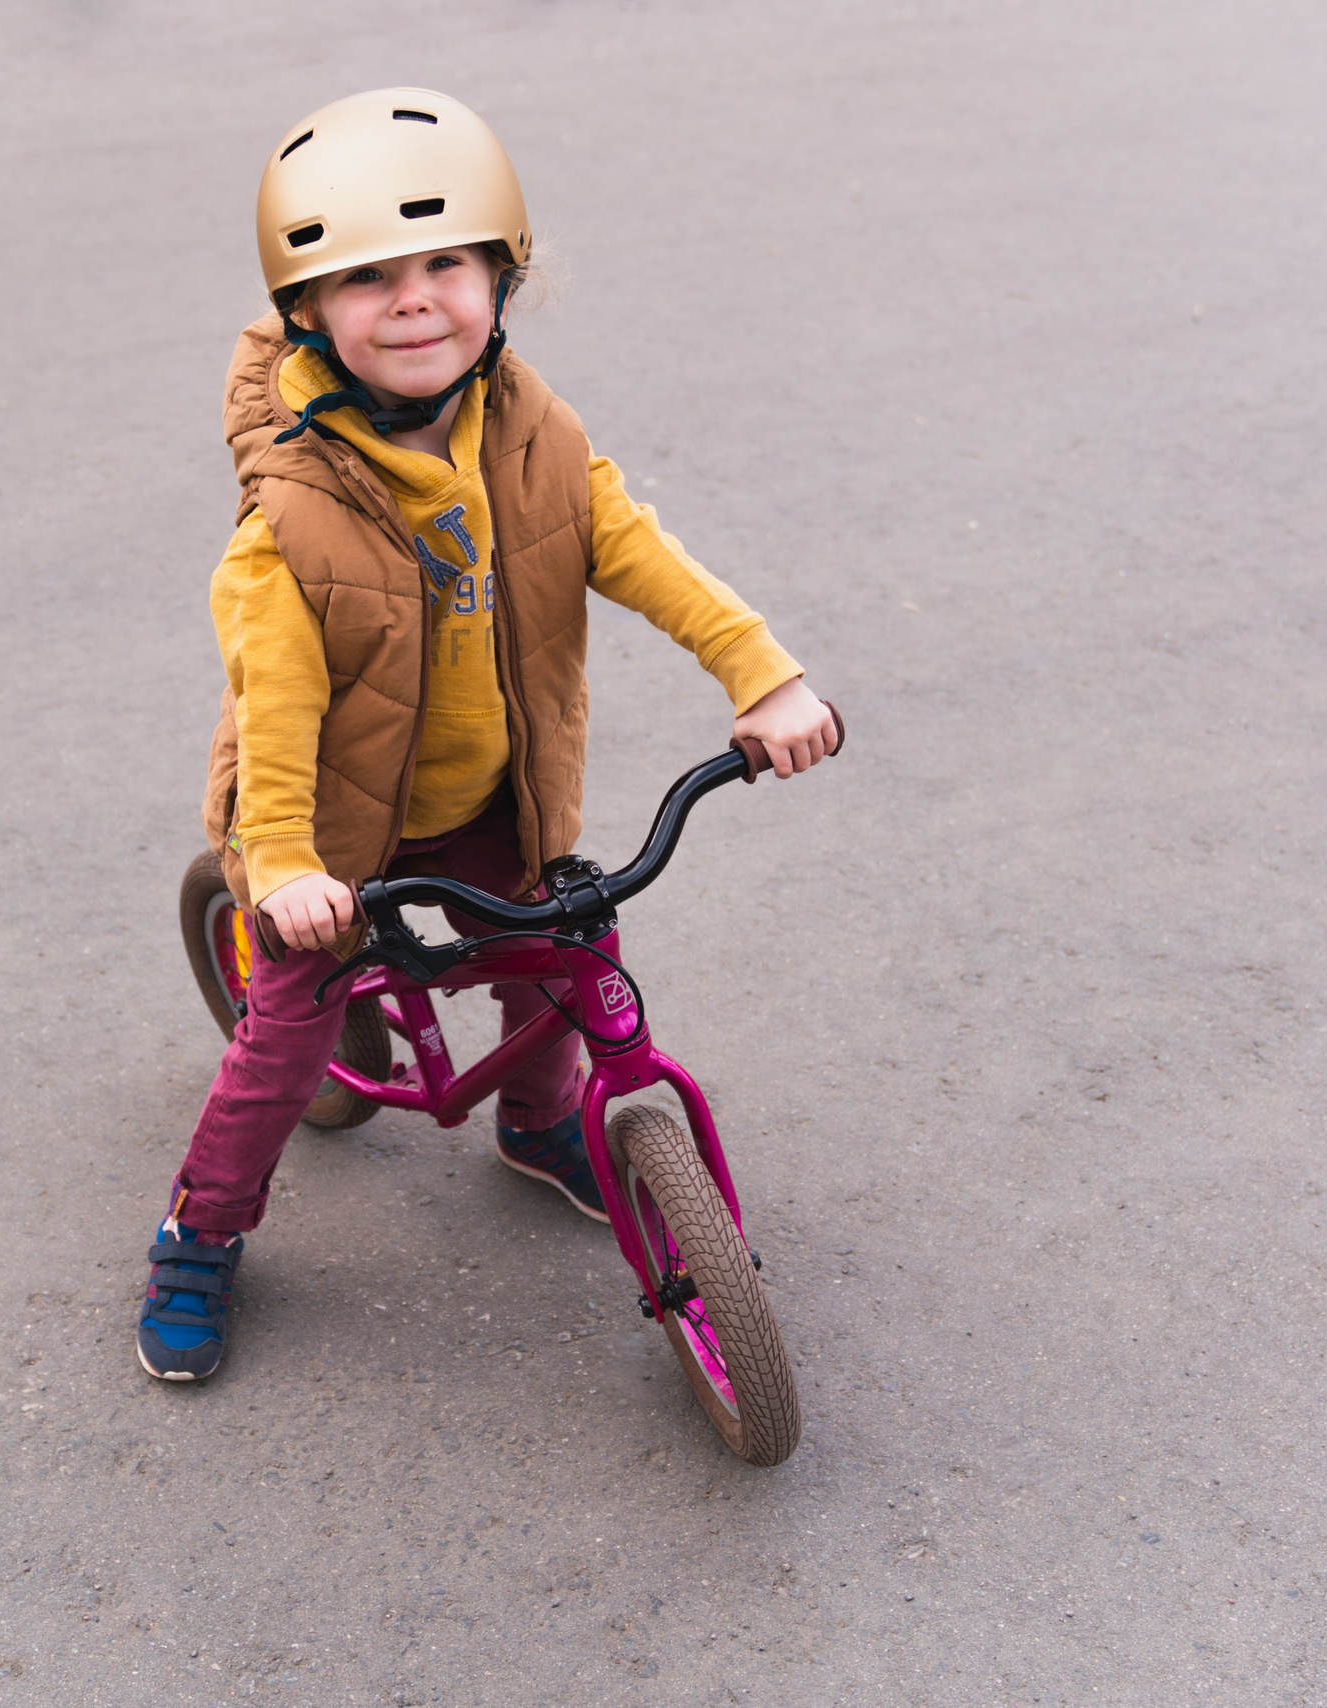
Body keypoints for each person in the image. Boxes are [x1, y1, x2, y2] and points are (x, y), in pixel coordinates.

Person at [141, 88, 837, 1381]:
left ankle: (538, 1120)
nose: (413, 301)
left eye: (444, 263)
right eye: (366, 279)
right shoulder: (285, 528)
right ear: (305, 314)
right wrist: (284, 863)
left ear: (503, 278)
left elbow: (636, 551)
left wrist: (762, 673)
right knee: (285, 1035)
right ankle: (202, 1228)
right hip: (333, 829)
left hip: (486, 793)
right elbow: (278, 711)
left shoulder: (534, 436)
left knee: (557, 942)